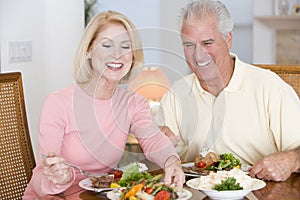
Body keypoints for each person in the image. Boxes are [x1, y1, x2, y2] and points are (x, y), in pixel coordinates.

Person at [23, 10, 185, 199]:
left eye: (125, 46)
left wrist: (172, 161)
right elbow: (42, 174)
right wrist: (56, 176)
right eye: (107, 45)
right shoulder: (58, 103)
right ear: (90, 50)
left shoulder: (133, 103)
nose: (117, 55)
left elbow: (152, 138)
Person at [155, 0, 300, 182]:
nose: (198, 55)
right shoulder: (176, 94)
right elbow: (161, 156)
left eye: (207, 43)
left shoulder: (270, 87)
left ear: (228, 39)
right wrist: (158, 145)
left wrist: (292, 159)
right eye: (189, 45)